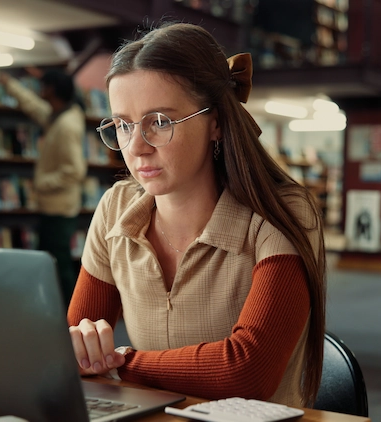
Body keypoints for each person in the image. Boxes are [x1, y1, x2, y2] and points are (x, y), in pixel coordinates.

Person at [66, 22, 326, 408]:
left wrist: (120, 364)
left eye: (160, 122)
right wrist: (83, 353)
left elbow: (249, 371)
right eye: (122, 125)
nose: (135, 147)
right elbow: (76, 344)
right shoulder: (115, 209)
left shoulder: (283, 212)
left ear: (216, 122)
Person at [0, 69, 87, 303]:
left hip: (60, 208)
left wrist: (41, 183)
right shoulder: (57, 116)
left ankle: (70, 315)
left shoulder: (66, 126)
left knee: (59, 262)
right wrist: (9, 84)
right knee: (51, 260)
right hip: (53, 206)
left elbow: (75, 170)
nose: (40, 90)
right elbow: (34, 106)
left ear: (52, 90)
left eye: (43, 86)